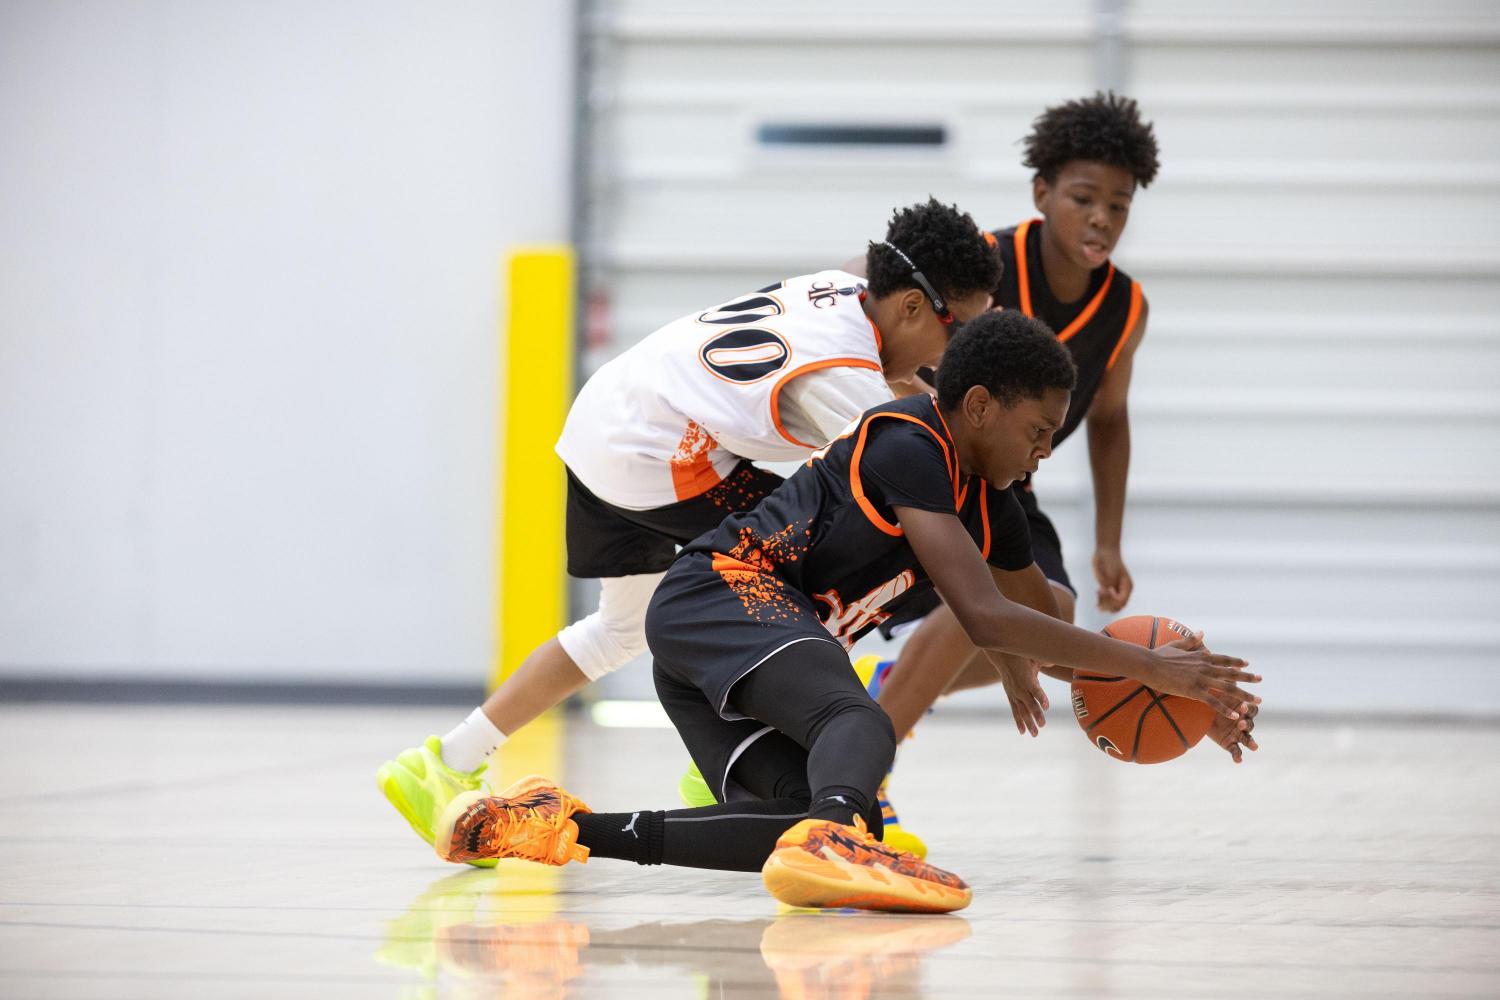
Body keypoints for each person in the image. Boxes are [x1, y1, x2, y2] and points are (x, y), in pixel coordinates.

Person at [429, 311, 1259, 914]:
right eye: (1039, 431)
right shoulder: (909, 441)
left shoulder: (995, 504)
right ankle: (837, 836)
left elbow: (1052, 637)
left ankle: (559, 828)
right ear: (977, 406)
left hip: (716, 648)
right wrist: (1147, 665)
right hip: (718, 589)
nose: (1045, 452)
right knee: (857, 720)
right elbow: (983, 613)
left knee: (816, 811)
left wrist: (1187, 696)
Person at [377, 199, 1002, 863]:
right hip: (662, 456)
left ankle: (444, 760)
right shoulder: (844, 378)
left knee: (620, 629)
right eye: (959, 332)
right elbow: (907, 466)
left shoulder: (846, 286)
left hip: (607, 418)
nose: (956, 356)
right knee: (810, 574)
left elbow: (888, 361)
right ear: (912, 305)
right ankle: (743, 755)